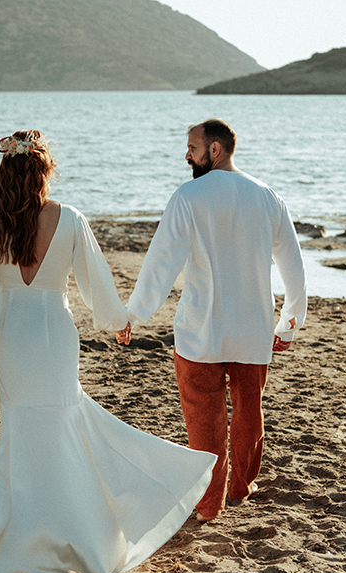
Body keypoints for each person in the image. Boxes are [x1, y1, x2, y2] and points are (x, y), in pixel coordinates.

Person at [0, 130, 216, 573]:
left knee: (21, 430)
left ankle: (25, 533)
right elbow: (95, 281)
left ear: (5, 173)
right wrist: (118, 320)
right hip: (55, 334)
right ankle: (76, 533)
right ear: (44, 171)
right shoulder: (69, 218)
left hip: (10, 340)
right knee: (61, 425)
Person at [117, 119, 307, 523]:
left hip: (201, 330)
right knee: (249, 411)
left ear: (214, 149)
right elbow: (293, 263)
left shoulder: (188, 196)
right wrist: (290, 321)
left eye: (192, 148)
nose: (187, 155)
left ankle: (208, 505)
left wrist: (133, 314)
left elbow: (161, 262)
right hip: (253, 329)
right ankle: (240, 487)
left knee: (204, 418)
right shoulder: (268, 197)